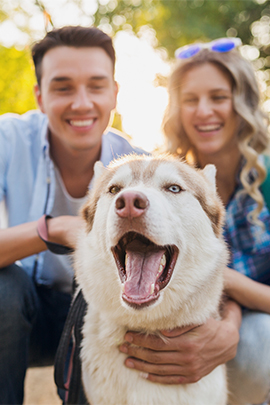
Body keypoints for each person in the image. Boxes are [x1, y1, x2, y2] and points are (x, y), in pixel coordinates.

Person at [118, 38, 270, 405]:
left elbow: (226, 285)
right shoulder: (167, 185)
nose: (204, 111)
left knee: (258, 341)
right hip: (197, 327)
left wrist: (226, 282)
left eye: (218, 97)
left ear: (243, 102)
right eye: (191, 99)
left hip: (259, 339)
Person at [0, 25, 145, 404]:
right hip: (19, 315)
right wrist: (56, 229)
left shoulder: (140, 168)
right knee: (3, 288)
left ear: (114, 93)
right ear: (40, 96)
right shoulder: (8, 140)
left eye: (96, 86)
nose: (81, 103)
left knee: (113, 302)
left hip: (102, 313)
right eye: (63, 87)